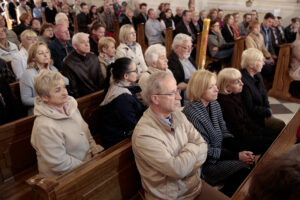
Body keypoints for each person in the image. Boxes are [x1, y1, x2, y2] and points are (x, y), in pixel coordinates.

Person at [133, 71, 229, 200]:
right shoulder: (144, 135)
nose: (179, 97)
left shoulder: (177, 115)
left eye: (177, 90)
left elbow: (203, 146)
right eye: (172, 93)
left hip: (196, 187)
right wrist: (193, 149)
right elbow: (178, 170)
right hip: (174, 197)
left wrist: (186, 160)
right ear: (155, 98)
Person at [182, 70, 255, 197]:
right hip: (207, 164)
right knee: (246, 165)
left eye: (215, 85)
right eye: (211, 87)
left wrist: (241, 151)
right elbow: (205, 150)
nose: (217, 89)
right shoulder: (192, 112)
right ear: (200, 89)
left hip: (220, 153)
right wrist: (236, 156)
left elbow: (225, 133)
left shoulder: (214, 104)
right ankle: (225, 195)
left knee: (249, 159)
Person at [31, 70, 103, 178]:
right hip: (65, 177)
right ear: (44, 97)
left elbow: (85, 131)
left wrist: (94, 150)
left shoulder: (70, 106)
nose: (65, 92)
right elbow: (60, 163)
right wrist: (89, 168)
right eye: (58, 90)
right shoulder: (44, 126)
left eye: (64, 87)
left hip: (86, 164)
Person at [217, 68, 276, 150]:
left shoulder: (236, 95)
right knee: (273, 143)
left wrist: (258, 131)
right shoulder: (225, 103)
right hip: (238, 140)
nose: (242, 83)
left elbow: (246, 118)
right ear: (227, 86)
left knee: (277, 135)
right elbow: (237, 129)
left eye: (240, 80)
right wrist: (257, 135)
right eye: (237, 82)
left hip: (247, 132)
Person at [98, 57, 145, 149]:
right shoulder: (122, 98)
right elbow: (132, 125)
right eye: (135, 70)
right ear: (126, 76)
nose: (137, 72)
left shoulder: (121, 85)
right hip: (118, 140)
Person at [240, 48, 285, 134]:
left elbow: (264, 93)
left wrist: (267, 108)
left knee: (282, 125)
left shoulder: (257, 75)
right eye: (261, 61)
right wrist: (267, 112)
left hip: (262, 114)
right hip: (252, 119)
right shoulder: (243, 81)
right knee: (280, 126)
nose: (263, 63)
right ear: (252, 64)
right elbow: (249, 108)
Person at [20, 42, 66, 113]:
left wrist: (48, 71)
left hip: (56, 104)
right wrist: (48, 99)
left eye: (47, 52)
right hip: (39, 109)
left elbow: (66, 82)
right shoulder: (28, 74)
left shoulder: (52, 68)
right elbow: (26, 100)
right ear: (33, 57)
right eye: (41, 53)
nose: (45, 55)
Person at [62, 33, 105, 98]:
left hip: (99, 95)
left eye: (88, 41)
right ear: (75, 46)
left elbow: (101, 80)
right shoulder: (68, 62)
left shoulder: (93, 57)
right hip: (83, 99)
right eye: (83, 42)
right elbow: (74, 89)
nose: (87, 44)